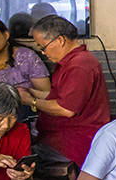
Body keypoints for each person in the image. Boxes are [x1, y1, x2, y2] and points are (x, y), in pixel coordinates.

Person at [22, 15, 110, 168]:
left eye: (43, 47)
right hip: (64, 135)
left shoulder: (79, 66)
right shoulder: (72, 62)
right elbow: (59, 96)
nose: (43, 53)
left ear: (60, 40)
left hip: (74, 140)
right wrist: (30, 92)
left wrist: (30, 101)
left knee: (22, 156)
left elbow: (66, 109)